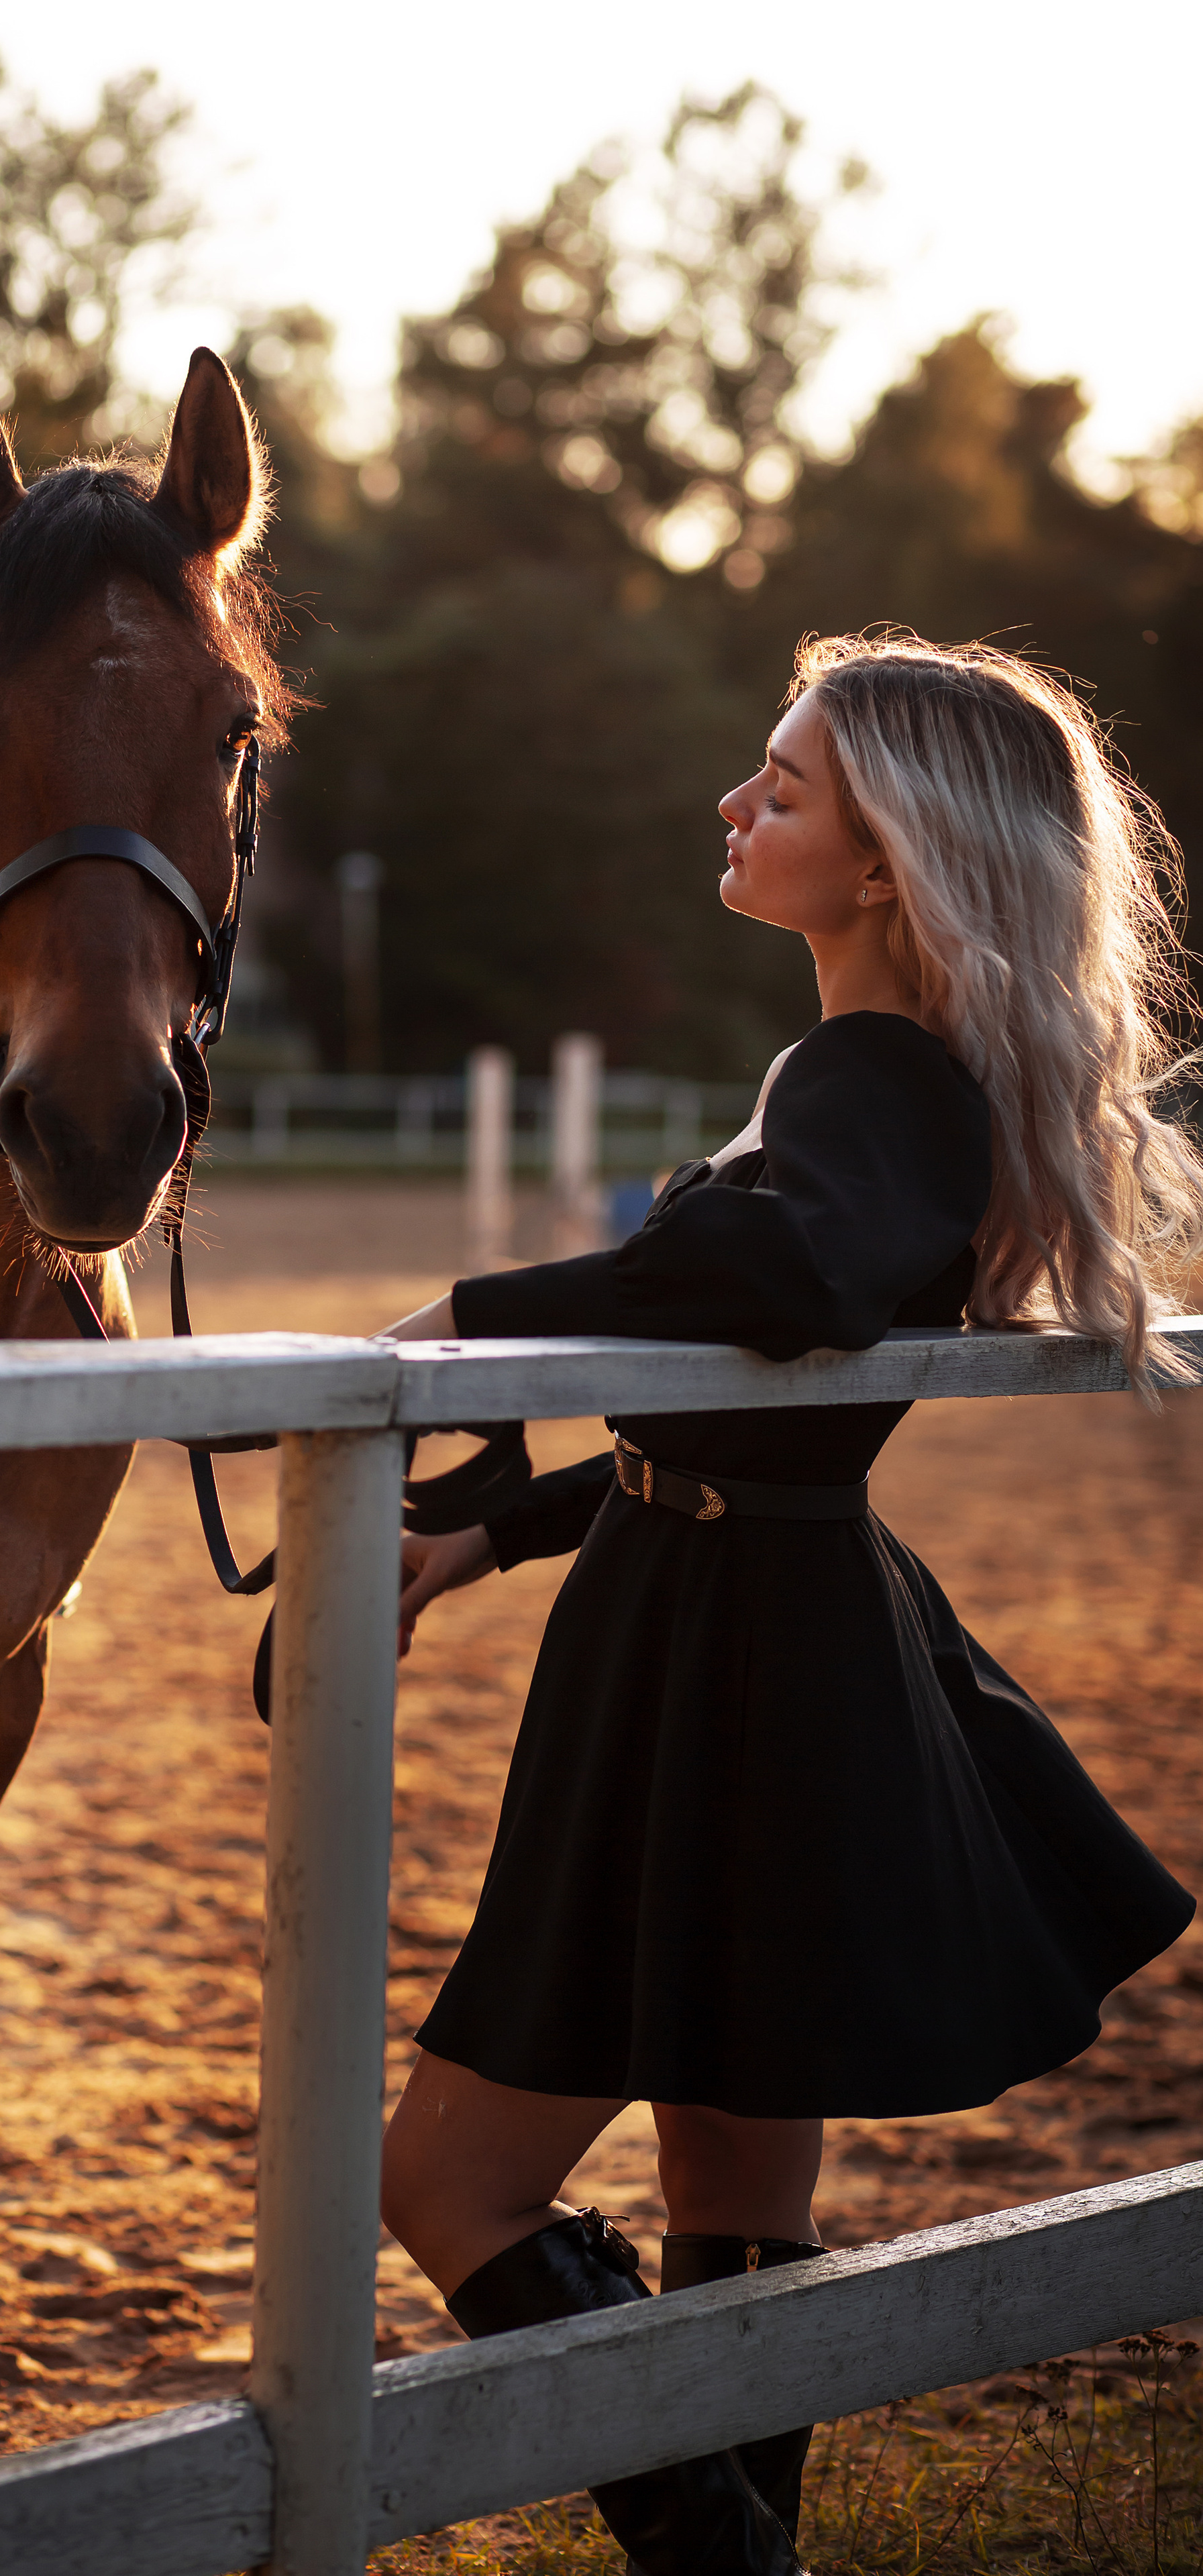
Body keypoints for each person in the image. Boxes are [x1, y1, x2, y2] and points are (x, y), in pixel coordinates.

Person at [378, 634, 1202, 2576]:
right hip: (756, 1617)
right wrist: (484, 1537)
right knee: (734, 2208)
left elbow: (805, 1275)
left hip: (724, 1669)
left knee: (446, 2182)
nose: (735, 807)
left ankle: (723, 2561)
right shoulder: (895, 1081)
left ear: (892, 862)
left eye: (784, 786)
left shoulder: (872, 1079)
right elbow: (772, 1426)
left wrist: (483, 1311)